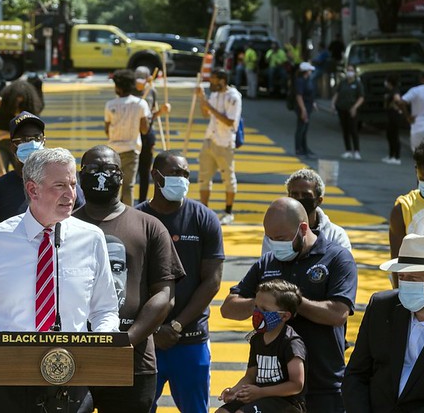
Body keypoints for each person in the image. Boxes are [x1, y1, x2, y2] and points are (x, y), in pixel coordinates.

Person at [0, 148, 120, 412]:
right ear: (33, 190)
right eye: (59, 186)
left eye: (73, 185)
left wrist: (97, 342)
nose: (71, 195)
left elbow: (106, 309)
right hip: (3, 380)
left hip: (68, 378)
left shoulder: (92, 238)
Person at [221, 197, 357, 412]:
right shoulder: (268, 262)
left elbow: (338, 314)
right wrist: (263, 302)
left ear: (303, 229)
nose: (275, 243)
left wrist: (293, 301)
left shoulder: (337, 258)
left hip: (321, 385)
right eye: (270, 238)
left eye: (281, 238)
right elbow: (228, 308)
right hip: (272, 387)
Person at [74, 145, 182, 412]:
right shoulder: (63, 226)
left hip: (133, 363)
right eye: (92, 169)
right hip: (74, 358)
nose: (101, 175)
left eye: (109, 169)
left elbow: (164, 294)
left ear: (122, 176)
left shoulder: (149, 226)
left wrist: (127, 341)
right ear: (79, 176)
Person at [137, 150, 224, 413]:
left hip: (190, 340)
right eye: (175, 173)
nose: (182, 179)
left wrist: (176, 325)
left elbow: (212, 281)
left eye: (186, 174)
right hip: (146, 342)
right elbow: (130, 284)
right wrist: (153, 330)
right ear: (156, 175)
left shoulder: (204, 218)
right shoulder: (136, 219)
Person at [0, 111, 85, 257]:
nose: (31, 143)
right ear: (12, 147)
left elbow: (84, 233)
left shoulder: (68, 188)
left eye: (36, 138)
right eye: (23, 140)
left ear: (44, 142)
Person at [343, 234, 424, 412]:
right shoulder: (381, 307)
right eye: (401, 277)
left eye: (413, 279)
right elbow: (356, 374)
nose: (404, 284)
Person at [217, 279, 307, 413]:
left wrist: (261, 392)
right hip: (258, 394)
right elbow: (251, 376)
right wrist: (235, 390)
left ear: (284, 316)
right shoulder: (257, 338)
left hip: (285, 401)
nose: (257, 313)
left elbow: (296, 385)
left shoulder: (291, 342)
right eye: (256, 307)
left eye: (264, 310)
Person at [106, 69, 169, 206]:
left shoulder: (110, 105)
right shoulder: (141, 104)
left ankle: (111, 213)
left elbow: (107, 130)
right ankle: (127, 216)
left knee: (114, 185)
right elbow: (145, 129)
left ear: (117, 87)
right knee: (128, 186)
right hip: (132, 148)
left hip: (113, 150)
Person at [262, 168, 351, 255]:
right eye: (294, 194)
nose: (300, 199)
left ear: (319, 200)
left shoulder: (335, 235)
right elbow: (266, 264)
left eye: (306, 195)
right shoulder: (275, 231)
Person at [196, 68, 242, 225]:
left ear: (222, 80)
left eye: (213, 80)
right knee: (204, 177)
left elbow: (230, 121)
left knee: (228, 177)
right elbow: (205, 114)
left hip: (225, 142)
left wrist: (209, 107)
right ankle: (204, 210)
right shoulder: (214, 95)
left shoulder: (234, 97)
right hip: (209, 139)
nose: (211, 83)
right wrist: (202, 99)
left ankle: (228, 212)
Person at [389, 139, 424, 266]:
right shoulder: (403, 209)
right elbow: (397, 260)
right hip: (414, 282)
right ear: (416, 171)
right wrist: (400, 286)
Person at [0, 79, 44, 172]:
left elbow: (28, 132)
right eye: (16, 99)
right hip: (0, 144)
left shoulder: (29, 108)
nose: (18, 102)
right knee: (1, 173)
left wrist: (1, 136)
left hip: (20, 144)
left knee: (23, 173)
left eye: (21, 100)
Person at [134, 66, 161, 203]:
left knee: (145, 171)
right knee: (130, 170)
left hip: (148, 134)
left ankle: (142, 201)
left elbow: (152, 114)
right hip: (132, 134)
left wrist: (161, 112)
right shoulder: (130, 92)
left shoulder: (152, 91)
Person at [400, 70, 424, 152]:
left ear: (422, 79)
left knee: (419, 156)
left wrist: (408, 116)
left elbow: (402, 102)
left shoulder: (416, 90)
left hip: (419, 126)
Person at [331, 64, 364, 160]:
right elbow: (337, 93)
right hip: (342, 109)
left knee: (353, 130)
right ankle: (348, 150)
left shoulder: (357, 84)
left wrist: (355, 107)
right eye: (348, 70)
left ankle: (357, 151)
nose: (350, 72)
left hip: (352, 109)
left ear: (354, 72)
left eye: (351, 70)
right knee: (345, 130)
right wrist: (333, 104)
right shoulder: (343, 82)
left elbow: (361, 97)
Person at [294, 62, 317, 159]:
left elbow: (309, 94)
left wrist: (313, 103)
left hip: (308, 106)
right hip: (303, 107)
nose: (311, 72)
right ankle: (299, 149)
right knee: (301, 128)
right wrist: (303, 109)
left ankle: (304, 148)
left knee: (305, 128)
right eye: (309, 70)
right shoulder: (300, 81)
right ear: (305, 71)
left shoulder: (307, 80)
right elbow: (299, 96)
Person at [383, 73, 403, 165]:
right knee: (389, 135)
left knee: (394, 135)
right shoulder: (390, 91)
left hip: (394, 115)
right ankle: (391, 155)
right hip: (390, 115)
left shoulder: (395, 91)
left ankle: (397, 157)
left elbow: (398, 100)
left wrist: (397, 107)